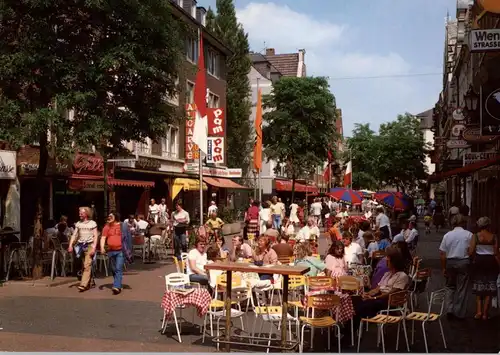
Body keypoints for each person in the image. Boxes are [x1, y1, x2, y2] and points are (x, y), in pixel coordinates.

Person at [351, 246, 409, 334]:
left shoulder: (402, 276)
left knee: (362, 306)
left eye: (388, 261)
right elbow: (377, 289)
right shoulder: (387, 274)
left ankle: (353, 331)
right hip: (379, 298)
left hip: (388, 301)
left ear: (394, 262)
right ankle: (353, 330)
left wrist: (374, 298)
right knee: (355, 301)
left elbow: (391, 293)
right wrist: (367, 294)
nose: (386, 262)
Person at [439, 214, 472, 319]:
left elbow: (442, 254)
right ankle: (459, 312)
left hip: (450, 262)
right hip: (463, 261)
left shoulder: (447, 235)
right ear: (463, 223)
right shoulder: (469, 235)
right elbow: (471, 251)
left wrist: (444, 267)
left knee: (450, 286)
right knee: (462, 288)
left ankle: (449, 308)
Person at [469, 217, 499, 320]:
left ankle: (478, 312)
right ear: (488, 225)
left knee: (479, 285)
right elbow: (496, 253)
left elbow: (471, 251)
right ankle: (486, 314)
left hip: (479, 261)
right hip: (491, 262)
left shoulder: (475, 236)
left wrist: (473, 259)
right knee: (489, 286)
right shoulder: (494, 237)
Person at [100, 212, 132, 295]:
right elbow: (103, 238)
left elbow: (127, 237)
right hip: (111, 251)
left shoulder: (122, 225)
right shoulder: (106, 227)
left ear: (115, 217)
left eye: (111, 216)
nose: (109, 217)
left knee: (118, 268)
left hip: (120, 250)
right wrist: (102, 247)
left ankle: (116, 286)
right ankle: (118, 284)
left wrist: (129, 249)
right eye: (108, 216)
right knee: (113, 269)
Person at [68, 207, 99, 292]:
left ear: (86, 214)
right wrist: (70, 245)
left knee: (87, 265)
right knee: (83, 265)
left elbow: (95, 236)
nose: (79, 214)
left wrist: (94, 247)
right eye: (79, 213)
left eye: (81, 213)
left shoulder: (92, 223)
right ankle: (90, 281)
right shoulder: (78, 224)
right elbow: (74, 235)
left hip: (89, 245)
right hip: (80, 246)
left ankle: (83, 285)